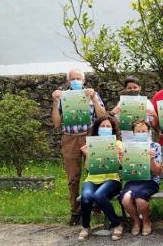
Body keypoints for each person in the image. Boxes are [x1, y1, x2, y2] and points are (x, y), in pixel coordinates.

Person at [51, 68, 106, 226]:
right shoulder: (62, 96)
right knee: (73, 177)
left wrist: (94, 98)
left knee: (95, 172)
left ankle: (96, 206)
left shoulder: (90, 94)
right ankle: (76, 211)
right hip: (70, 138)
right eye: (72, 78)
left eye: (78, 78)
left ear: (84, 80)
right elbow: (56, 123)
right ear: (68, 81)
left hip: (90, 136)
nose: (75, 81)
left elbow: (102, 117)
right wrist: (55, 102)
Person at [77, 116, 124, 241]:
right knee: (86, 197)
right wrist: (87, 155)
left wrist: (120, 157)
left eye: (108, 126)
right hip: (92, 179)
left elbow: (121, 166)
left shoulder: (118, 143)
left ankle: (116, 224)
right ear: (97, 129)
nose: (105, 128)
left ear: (112, 129)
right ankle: (85, 226)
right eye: (102, 126)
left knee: (99, 195)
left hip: (112, 179)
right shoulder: (91, 144)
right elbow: (88, 168)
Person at [118, 119, 163, 236]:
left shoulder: (155, 146)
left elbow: (157, 172)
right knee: (125, 199)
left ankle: (146, 221)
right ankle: (136, 221)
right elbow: (126, 170)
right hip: (133, 180)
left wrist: (152, 159)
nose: (141, 133)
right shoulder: (128, 147)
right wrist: (122, 160)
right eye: (138, 131)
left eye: (144, 131)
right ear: (133, 133)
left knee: (140, 199)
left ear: (148, 132)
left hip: (150, 180)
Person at [109, 75, 157, 141]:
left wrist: (155, 116)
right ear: (125, 89)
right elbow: (117, 123)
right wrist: (112, 114)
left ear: (140, 88)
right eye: (129, 88)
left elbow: (153, 123)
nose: (132, 90)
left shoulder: (147, 102)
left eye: (135, 87)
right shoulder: (121, 103)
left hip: (145, 139)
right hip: (127, 139)